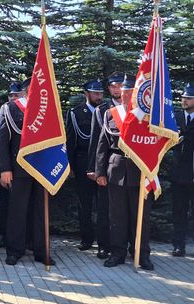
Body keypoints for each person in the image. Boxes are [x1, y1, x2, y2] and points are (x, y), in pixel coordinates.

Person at [95, 74, 154, 270]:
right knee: (117, 217)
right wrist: (100, 172)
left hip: (141, 172)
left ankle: (141, 253)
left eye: (130, 92)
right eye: (123, 92)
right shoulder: (111, 114)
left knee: (141, 216)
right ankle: (117, 253)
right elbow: (102, 145)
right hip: (116, 170)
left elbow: (154, 146)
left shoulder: (147, 115)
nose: (126, 95)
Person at [0, 78, 55, 267]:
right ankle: (14, 251)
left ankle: (41, 251)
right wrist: (5, 169)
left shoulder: (49, 110)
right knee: (17, 212)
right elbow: (2, 140)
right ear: (28, 91)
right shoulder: (11, 109)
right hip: (18, 168)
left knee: (41, 211)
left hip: (43, 167)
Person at [86, 72, 124, 259]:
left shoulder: (135, 108)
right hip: (107, 166)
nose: (117, 89)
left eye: (120, 86)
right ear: (108, 89)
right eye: (113, 86)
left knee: (125, 210)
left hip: (128, 167)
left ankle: (129, 246)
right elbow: (96, 142)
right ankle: (104, 245)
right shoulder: (102, 110)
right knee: (104, 208)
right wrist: (93, 169)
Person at [66, 80, 104, 252]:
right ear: (86, 94)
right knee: (85, 203)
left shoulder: (107, 111)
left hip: (102, 162)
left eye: (100, 93)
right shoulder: (75, 113)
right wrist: (70, 166)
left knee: (104, 204)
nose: (99, 96)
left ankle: (105, 240)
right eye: (95, 93)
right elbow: (71, 140)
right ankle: (86, 239)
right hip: (82, 161)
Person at [0, 82, 24, 249]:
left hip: (18, 166)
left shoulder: (21, 111)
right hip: (4, 165)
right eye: (10, 95)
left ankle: (21, 239)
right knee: (5, 204)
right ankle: (5, 236)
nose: (12, 98)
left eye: (15, 95)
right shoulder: (3, 111)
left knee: (18, 205)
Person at [170, 83, 194, 257]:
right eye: (183, 97)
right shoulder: (175, 117)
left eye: (188, 98)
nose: (184, 101)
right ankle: (178, 245)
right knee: (178, 211)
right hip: (179, 174)